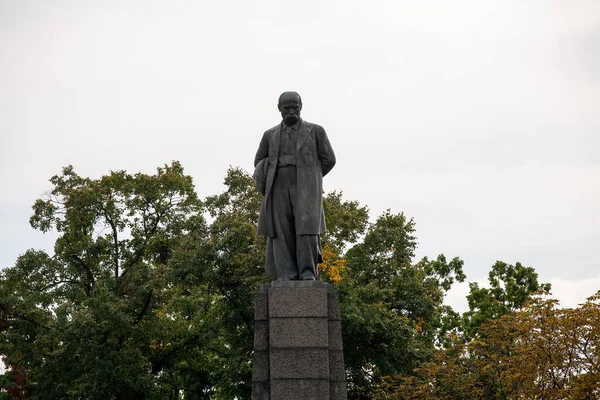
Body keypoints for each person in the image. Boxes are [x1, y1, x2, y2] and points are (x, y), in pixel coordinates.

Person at [254, 91, 336, 281]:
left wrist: (310, 176)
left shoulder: (316, 131)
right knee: (281, 230)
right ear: (279, 109)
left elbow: (329, 159)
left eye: (295, 107)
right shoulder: (270, 135)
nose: (291, 111)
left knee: (306, 230)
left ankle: (307, 272)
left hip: (305, 188)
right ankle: (286, 274)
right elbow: (259, 160)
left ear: (301, 106)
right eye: (287, 108)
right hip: (278, 187)